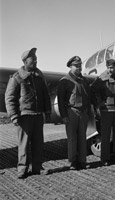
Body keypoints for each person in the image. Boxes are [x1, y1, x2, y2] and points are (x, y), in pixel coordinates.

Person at [5, 48, 51, 179]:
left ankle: (37, 167)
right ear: (25, 61)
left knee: (38, 143)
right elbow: (9, 98)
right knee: (23, 144)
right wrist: (13, 115)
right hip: (24, 116)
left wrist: (47, 112)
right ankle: (22, 169)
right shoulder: (16, 77)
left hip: (37, 116)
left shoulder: (39, 76)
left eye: (36, 58)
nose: (36, 61)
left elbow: (46, 95)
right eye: (33, 59)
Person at [91, 59, 115, 166]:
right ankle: (105, 158)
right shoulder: (101, 78)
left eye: (112, 67)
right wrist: (99, 103)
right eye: (108, 67)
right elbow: (93, 90)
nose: (110, 70)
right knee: (105, 135)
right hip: (106, 111)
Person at [57, 56, 91, 170]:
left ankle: (82, 161)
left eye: (80, 65)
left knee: (82, 137)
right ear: (70, 67)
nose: (79, 68)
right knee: (72, 138)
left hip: (83, 112)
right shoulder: (64, 81)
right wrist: (64, 116)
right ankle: (72, 162)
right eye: (76, 66)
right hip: (71, 112)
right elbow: (61, 100)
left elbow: (88, 96)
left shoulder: (84, 80)